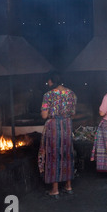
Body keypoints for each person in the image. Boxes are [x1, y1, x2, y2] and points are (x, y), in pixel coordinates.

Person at [38, 71, 77, 199]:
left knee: (53, 154)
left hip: (54, 127)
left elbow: (44, 115)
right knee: (67, 153)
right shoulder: (71, 93)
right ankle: (68, 186)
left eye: (48, 81)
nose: (47, 83)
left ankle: (55, 190)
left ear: (51, 81)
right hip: (66, 125)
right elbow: (73, 113)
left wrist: (52, 114)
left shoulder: (48, 95)